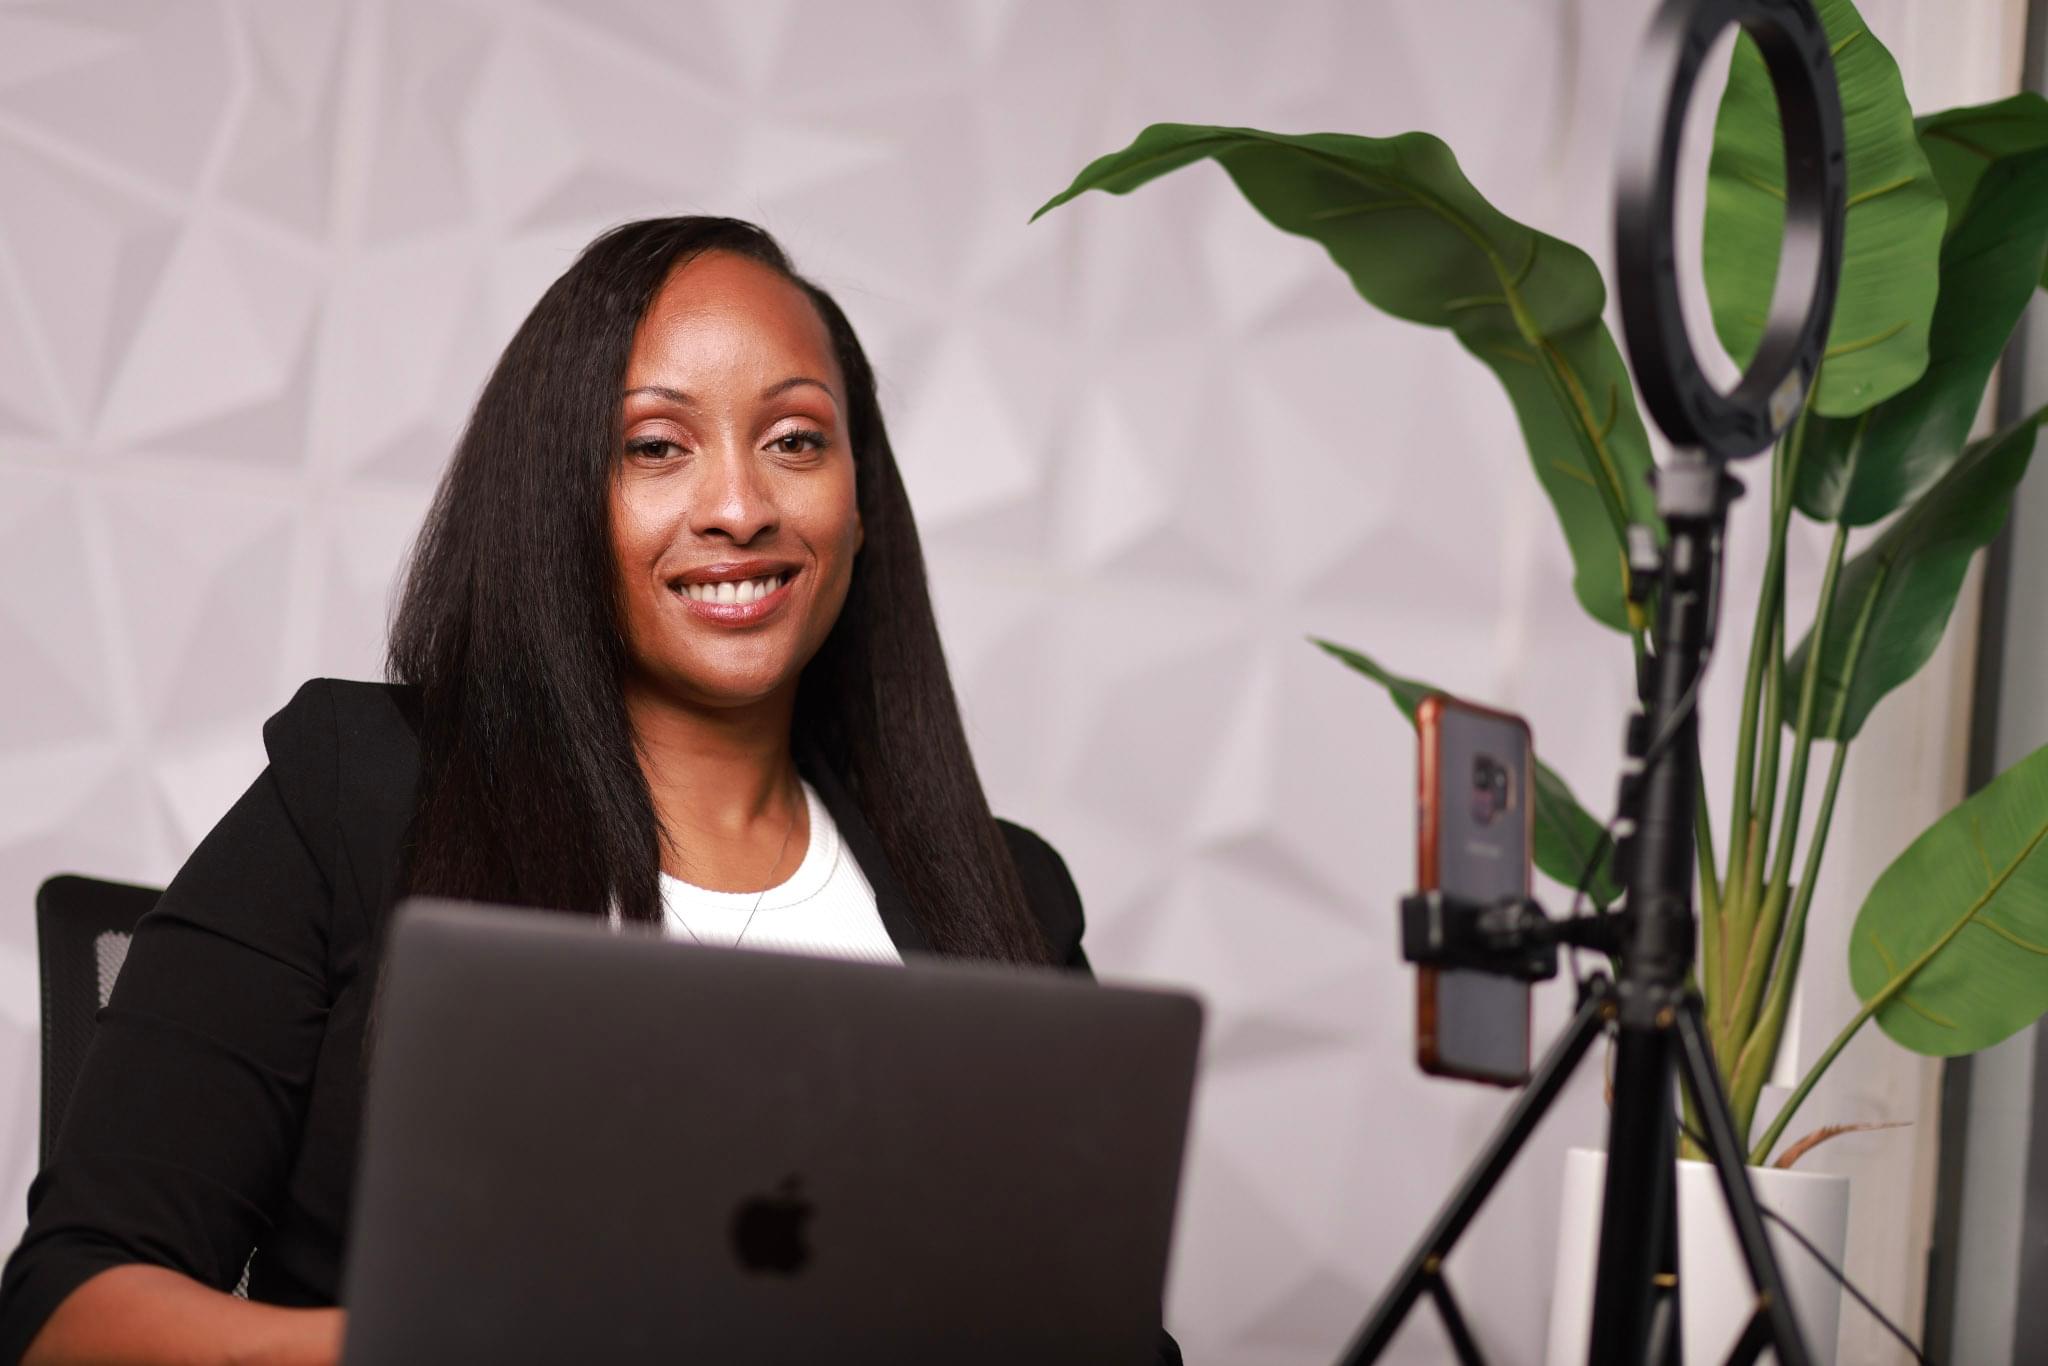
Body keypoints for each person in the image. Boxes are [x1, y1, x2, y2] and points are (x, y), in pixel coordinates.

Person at [0, 217, 1182, 1365]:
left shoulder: (1007, 894)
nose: (739, 507)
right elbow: (70, 1309)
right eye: (655, 446)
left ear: (860, 502)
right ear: (559, 496)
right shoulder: (358, 792)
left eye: (795, 440)